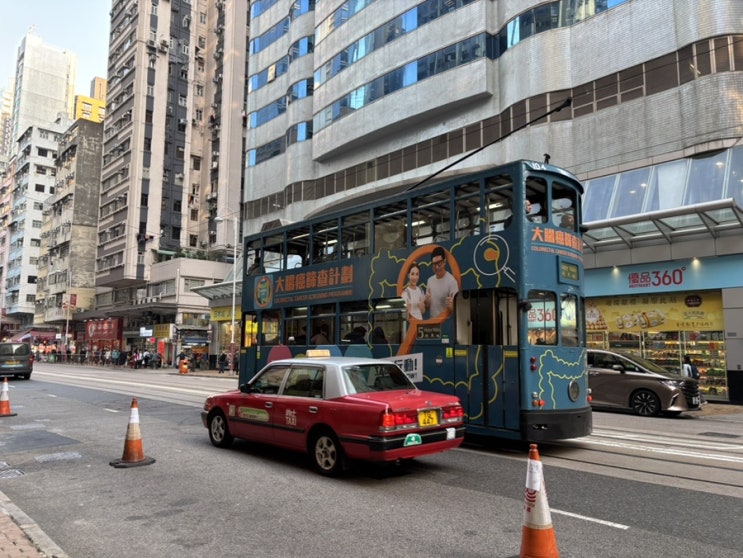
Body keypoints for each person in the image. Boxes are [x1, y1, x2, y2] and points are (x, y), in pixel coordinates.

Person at [425, 246, 459, 318]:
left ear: (444, 262)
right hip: (433, 322)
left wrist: (451, 306)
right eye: (434, 264)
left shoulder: (452, 281)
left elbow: (457, 310)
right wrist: (426, 303)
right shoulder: (430, 280)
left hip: (447, 322)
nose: (437, 267)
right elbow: (427, 307)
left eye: (439, 263)